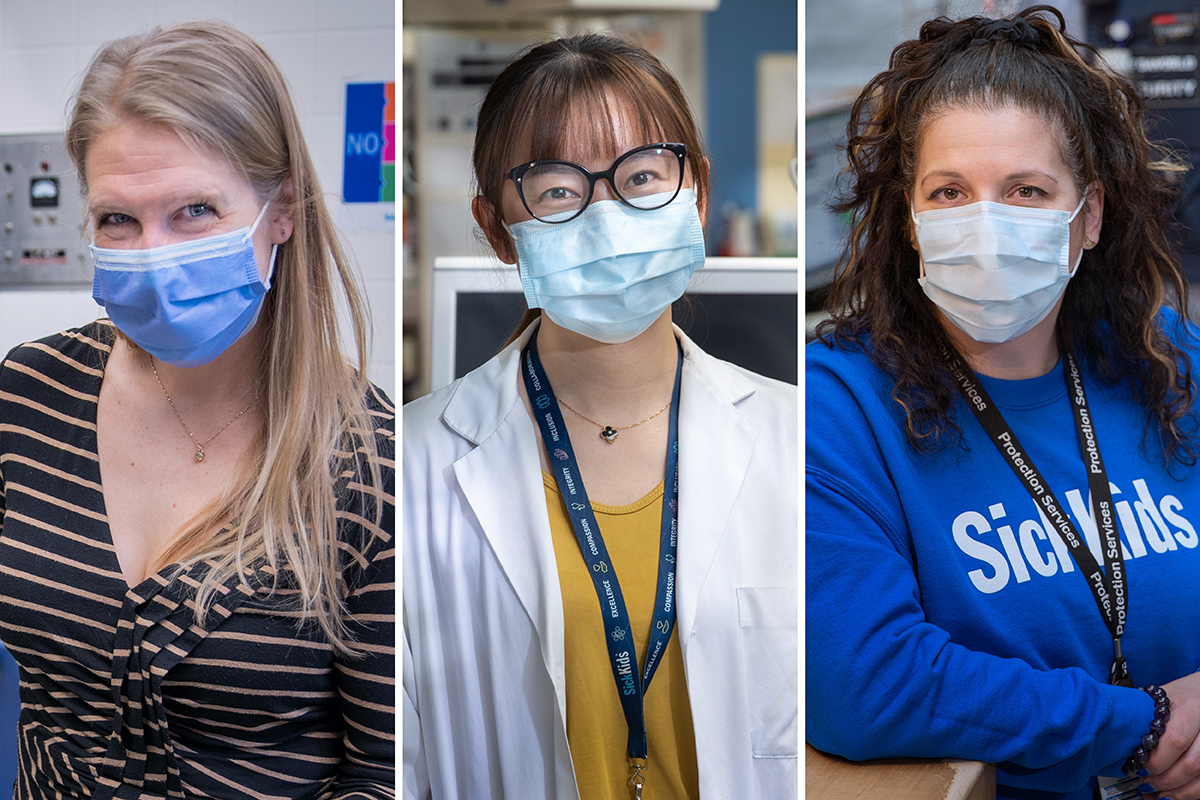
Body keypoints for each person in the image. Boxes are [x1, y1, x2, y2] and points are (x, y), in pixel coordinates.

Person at [806, 6, 1200, 800]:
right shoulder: (835, 407)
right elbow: (865, 684)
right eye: (949, 191)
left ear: (1087, 217)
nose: (986, 225)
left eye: (1026, 190)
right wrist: (1142, 724)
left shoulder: (1165, 356)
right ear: (911, 221)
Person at [0, 21, 395, 800]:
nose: (152, 257)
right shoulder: (27, 393)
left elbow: (382, 773)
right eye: (118, 220)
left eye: (194, 212)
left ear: (281, 210)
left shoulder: (370, 458)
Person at [403, 33, 797, 800]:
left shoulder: (796, 440)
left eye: (642, 176)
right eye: (556, 190)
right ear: (496, 230)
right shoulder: (411, 465)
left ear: (698, 193)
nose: (607, 214)